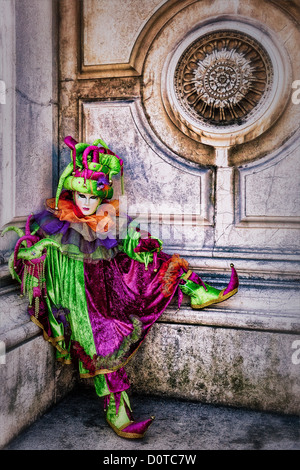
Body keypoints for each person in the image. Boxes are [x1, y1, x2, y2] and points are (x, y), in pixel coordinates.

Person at [2, 136, 239, 439]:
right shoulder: (56, 223)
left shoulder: (105, 218)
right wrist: (31, 252)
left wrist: (141, 243)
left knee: (156, 260)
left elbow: (125, 236)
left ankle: (198, 292)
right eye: (81, 197)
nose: (87, 204)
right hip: (80, 299)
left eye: (93, 198)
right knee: (101, 340)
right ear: (72, 192)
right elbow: (31, 250)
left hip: (111, 284)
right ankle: (119, 411)